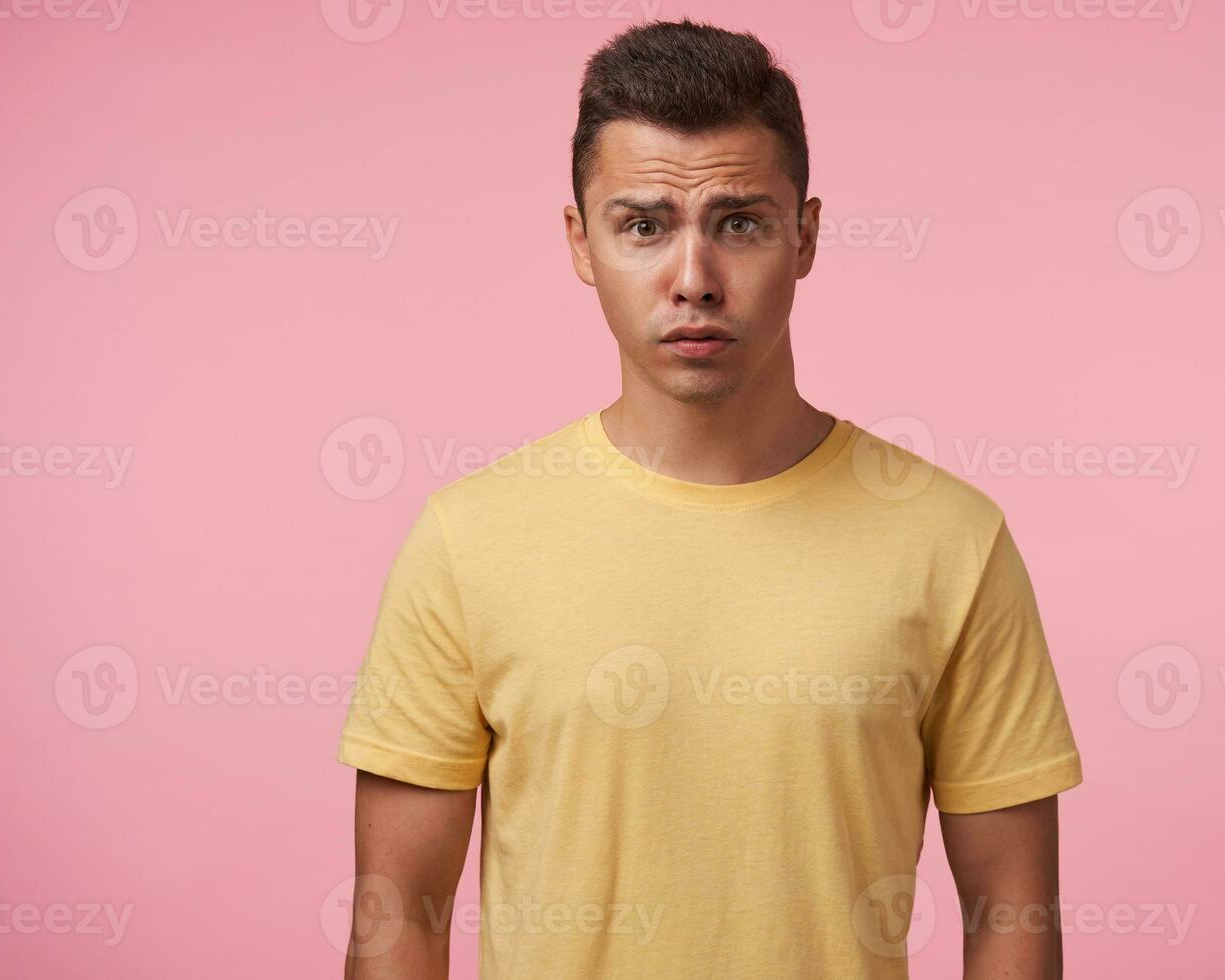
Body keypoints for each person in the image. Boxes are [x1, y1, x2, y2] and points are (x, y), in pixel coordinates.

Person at [337, 16, 1083, 979]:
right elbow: (398, 921)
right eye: (644, 224)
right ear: (580, 241)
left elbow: (1013, 913)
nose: (694, 280)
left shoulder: (952, 541)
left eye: (740, 223)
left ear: (805, 235)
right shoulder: (467, 541)